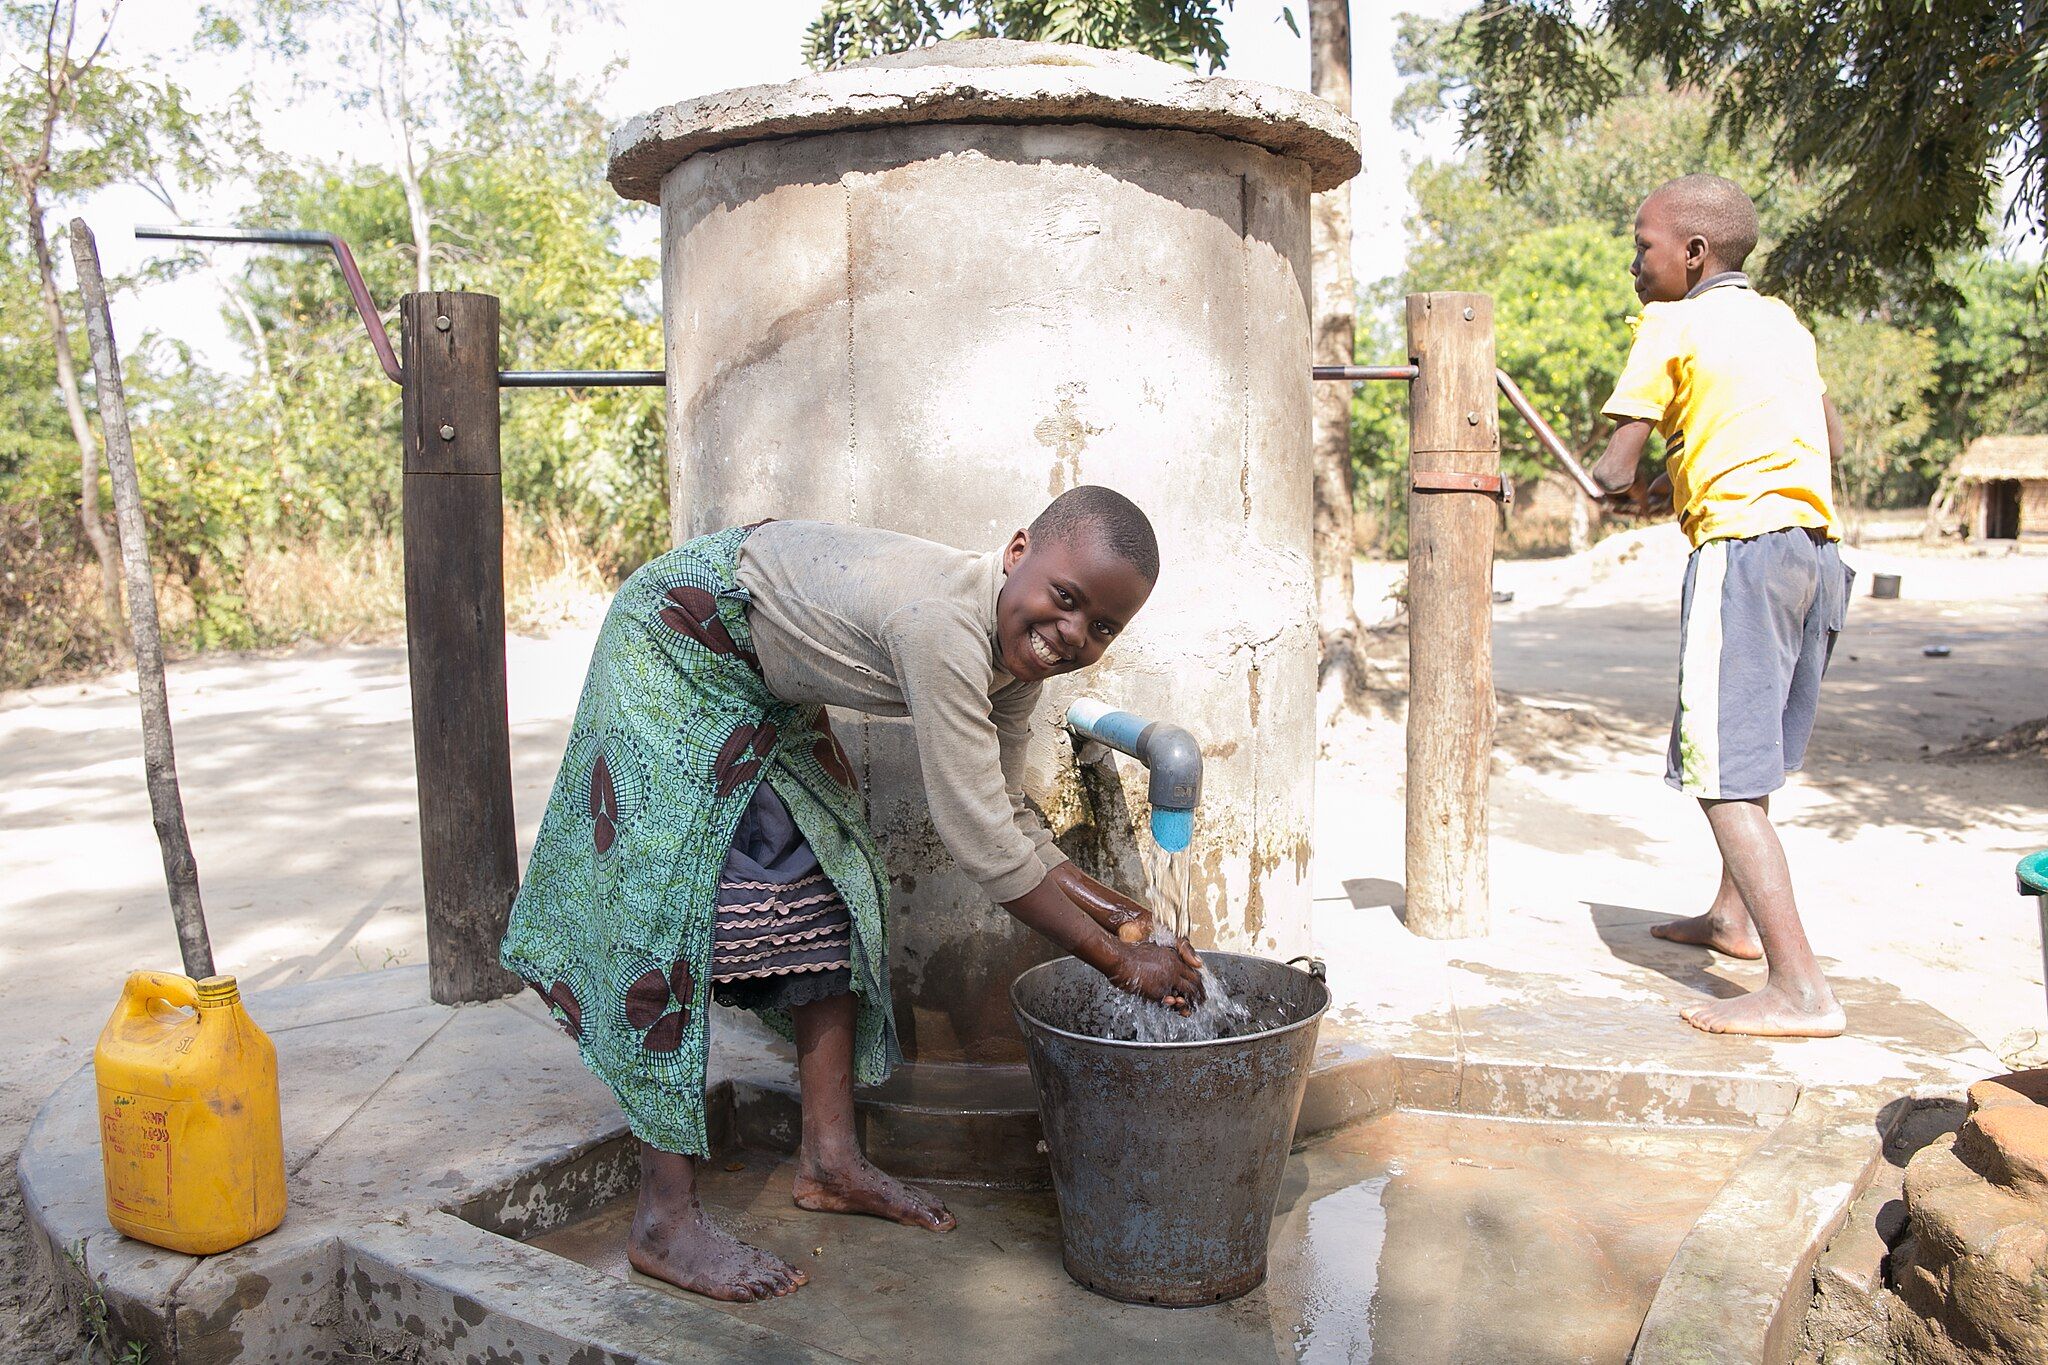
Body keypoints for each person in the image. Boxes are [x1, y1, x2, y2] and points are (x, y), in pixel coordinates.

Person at [501, 485, 1205, 1301]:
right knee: (664, 913)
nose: (1072, 635)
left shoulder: (1014, 656)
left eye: (1102, 627)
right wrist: (1119, 964)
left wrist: (1117, 910)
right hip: (679, 638)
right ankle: (664, 1215)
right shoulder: (943, 628)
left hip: (760, 678)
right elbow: (979, 841)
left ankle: (829, 1161)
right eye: (1066, 599)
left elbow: (1007, 810)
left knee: (836, 884)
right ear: (1018, 554)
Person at [1589, 174, 1854, 1039]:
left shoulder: (1673, 321)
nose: (1636, 263)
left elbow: (1614, 469)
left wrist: (1621, 487)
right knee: (1753, 752)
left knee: (1722, 777)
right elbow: (1828, 438)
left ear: (1694, 255)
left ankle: (1801, 989)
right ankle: (1732, 920)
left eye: (1644, 245)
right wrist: (1680, 477)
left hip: (1739, 554)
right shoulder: (1782, 324)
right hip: (1815, 555)